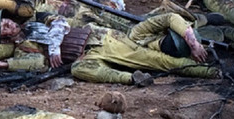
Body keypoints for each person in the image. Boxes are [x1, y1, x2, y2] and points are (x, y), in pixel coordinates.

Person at [70, 13, 220, 85]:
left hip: (98, 52)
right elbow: (170, 17)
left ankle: (130, 78)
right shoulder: (140, 31)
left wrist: (213, 71)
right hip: (101, 35)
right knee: (78, 68)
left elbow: (175, 63)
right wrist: (194, 44)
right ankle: (130, 78)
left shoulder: (160, 53)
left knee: (79, 68)